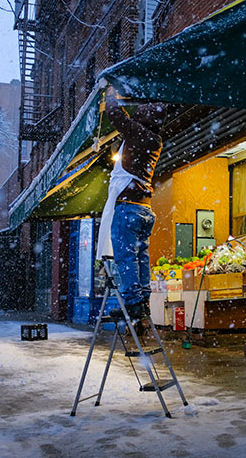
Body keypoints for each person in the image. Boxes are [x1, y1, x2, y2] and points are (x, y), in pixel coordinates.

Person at [96, 85, 167, 321]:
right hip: (144, 208)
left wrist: (110, 94)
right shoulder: (155, 140)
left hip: (128, 207)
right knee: (140, 257)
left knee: (126, 257)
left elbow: (117, 116)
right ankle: (142, 301)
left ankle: (133, 304)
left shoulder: (140, 134)